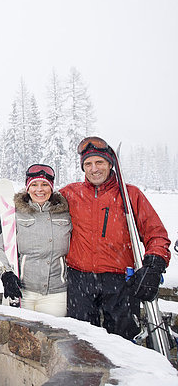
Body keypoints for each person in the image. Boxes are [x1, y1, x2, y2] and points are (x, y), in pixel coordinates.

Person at [60, 136, 171, 339]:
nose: (94, 169)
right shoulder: (70, 193)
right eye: (88, 164)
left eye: (99, 162)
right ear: (83, 168)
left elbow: (156, 234)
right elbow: (40, 204)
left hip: (120, 281)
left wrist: (154, 265)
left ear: (110, 164)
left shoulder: (130, 195)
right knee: (81, 343)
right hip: (80, 281)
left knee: (124, 342)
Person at [0, 164, 71, 316]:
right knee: (18, 337)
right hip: (23, 292)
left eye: (44, 185)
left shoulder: (66, 214)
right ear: (27, 188)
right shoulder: (16, 214)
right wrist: (6, 274)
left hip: (56, 294)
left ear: (52, 187)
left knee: (51, 338)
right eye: (34, 184)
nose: (39, 189)